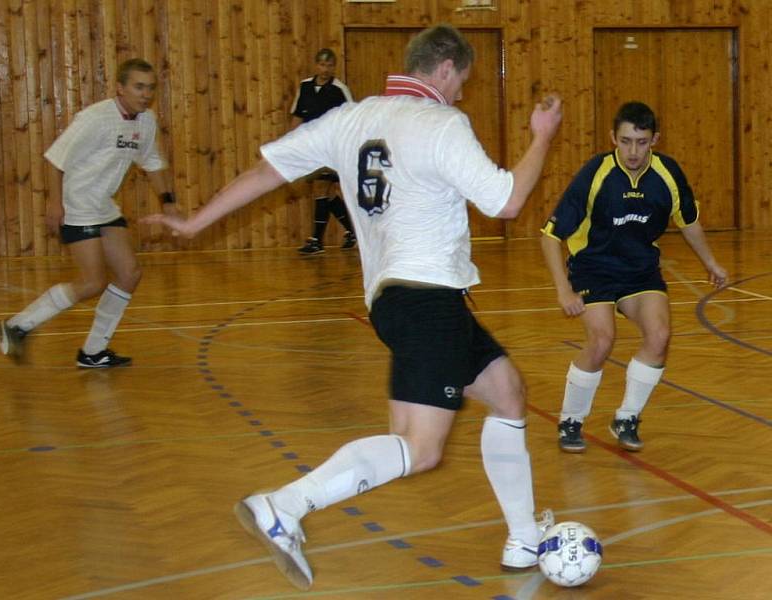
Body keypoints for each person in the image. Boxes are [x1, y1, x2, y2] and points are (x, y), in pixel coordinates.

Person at [145, 25, 562, 590]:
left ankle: (523, 538)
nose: (462, 92)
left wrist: (194, 222)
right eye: (462, 80)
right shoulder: (441, 123)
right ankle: (285, 505)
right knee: (420, 448)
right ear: (444, 69)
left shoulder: (350, 118)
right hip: (428, 300)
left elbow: (267, 170)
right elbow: (508, 201)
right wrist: (541, 137)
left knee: (507, 393)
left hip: (399, 301)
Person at [540, 101, 727, 453]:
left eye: (641, 142)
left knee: (659, 335)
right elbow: (550, 236)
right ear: (613, 138)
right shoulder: (596, 172)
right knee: (601, 341)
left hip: (639, 269)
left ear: (654, 139)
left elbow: (688, 221)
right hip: (592, 267)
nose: (633, 151)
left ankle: (627, 417)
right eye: (625, 141)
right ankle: (571, 419)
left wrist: (711, 263)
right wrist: (563, 290)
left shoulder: (667, 174)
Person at [0, 58, 177, 368]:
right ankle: (17, 326)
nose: (145, 94)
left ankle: (93, 352)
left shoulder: (146, 121)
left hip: (104, 205)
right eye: (138, 87)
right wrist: (55, 203)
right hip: (78, 204)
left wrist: (169, 201)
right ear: (120, 88)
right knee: (92, 282)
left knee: (129, 274)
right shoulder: (95, 118)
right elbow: (55, 159)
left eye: (150, 88)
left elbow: (152, 161)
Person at [291, 48, 356, 255]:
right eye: (322, 65)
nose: (325, 69)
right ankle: (352, 232)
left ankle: (316, 240)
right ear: (315, 65)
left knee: (322, 189)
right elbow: (298, 115)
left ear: (334, 66)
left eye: (329, 65)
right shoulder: (305, 86)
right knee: (327, 193)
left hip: (332, 148)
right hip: (311, 147)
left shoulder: (339, 89)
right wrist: (292, 142)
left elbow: (352, 118)